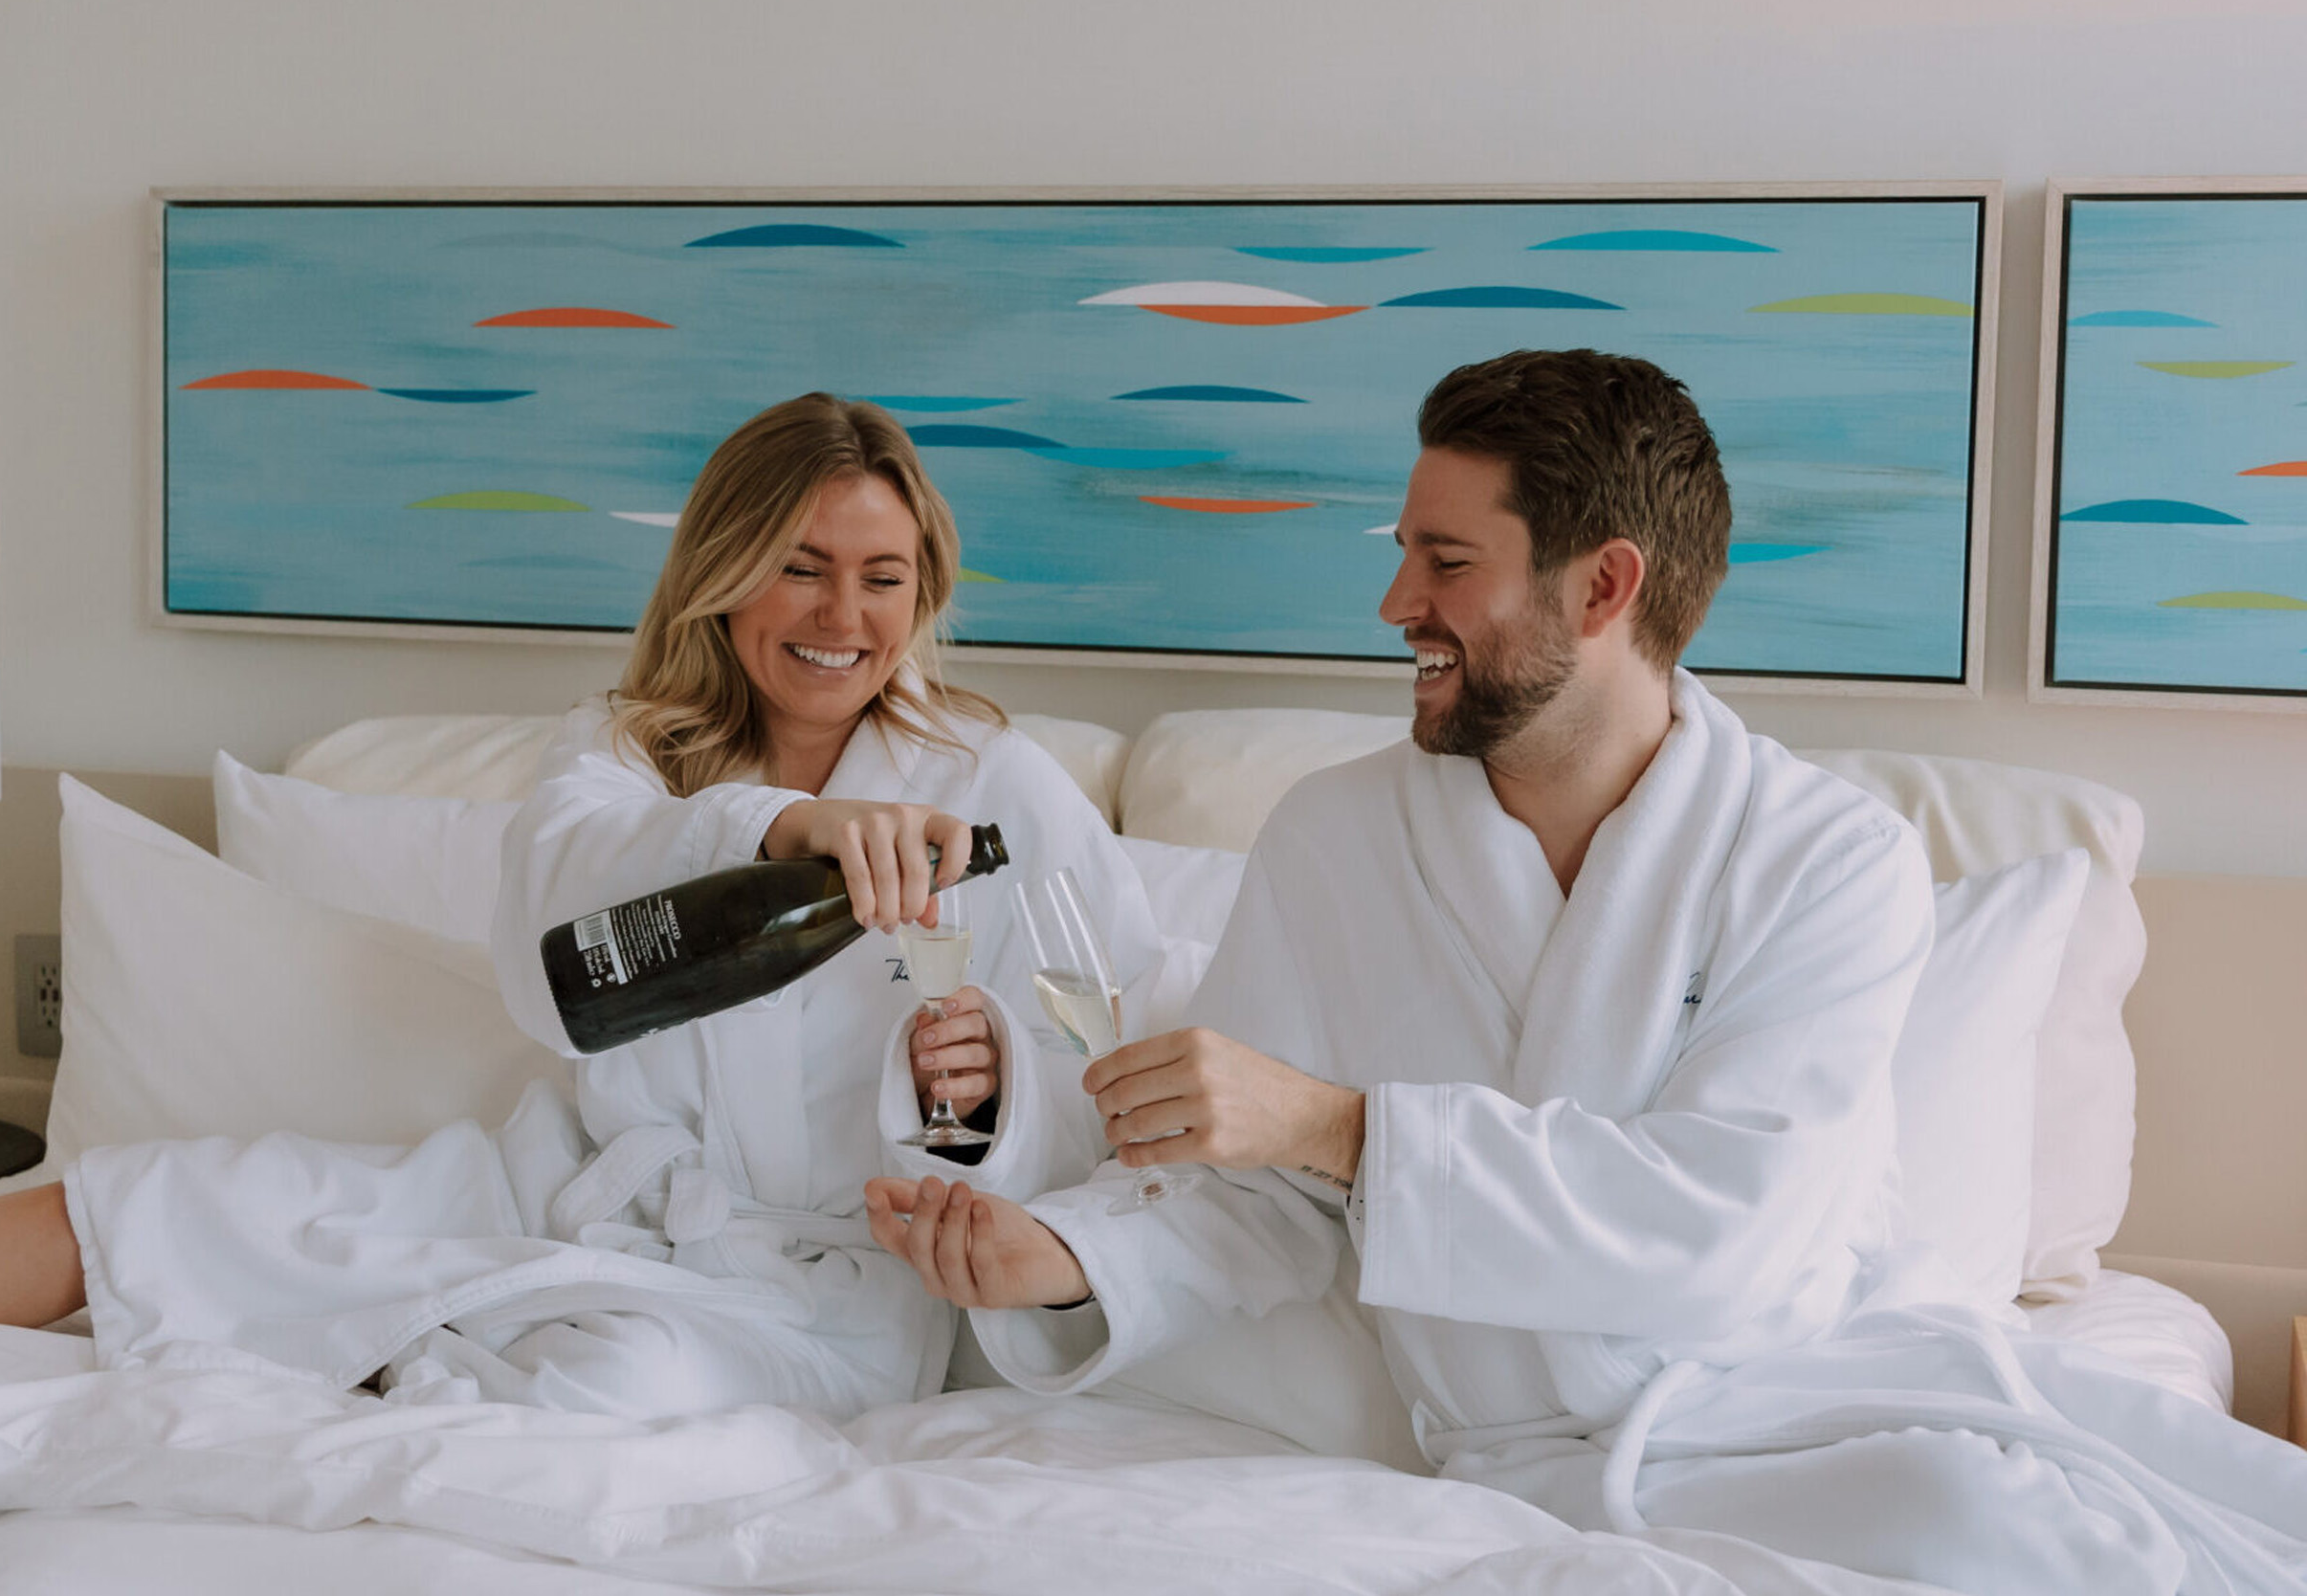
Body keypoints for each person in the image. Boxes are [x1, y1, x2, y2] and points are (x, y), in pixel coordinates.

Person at [867, 351, 2307, 1594]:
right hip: (1519, 1457)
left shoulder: (1827, 860)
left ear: (1603, 584)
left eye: (1446, 561)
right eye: (1403, 550)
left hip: (1799, 1394)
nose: (1394, 600)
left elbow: (1723, 1226)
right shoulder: (1337, 834)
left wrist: (1338, 1122)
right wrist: (1072, 1264)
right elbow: (1258, 1197)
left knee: (2023, 1528)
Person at [0, 393, 1147, 1426]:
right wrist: (773, 827)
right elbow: (556, 955)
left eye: (883, 576)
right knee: (168, 1200)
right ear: (724, 572)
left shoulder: (995, 793)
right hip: (555, 1193)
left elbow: (1112, 1040)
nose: (842, 616)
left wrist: (980, 1108)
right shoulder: (624, 755)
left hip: (811, 1292)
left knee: (605, 1392)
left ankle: (346, 1395)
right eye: (800, 567)